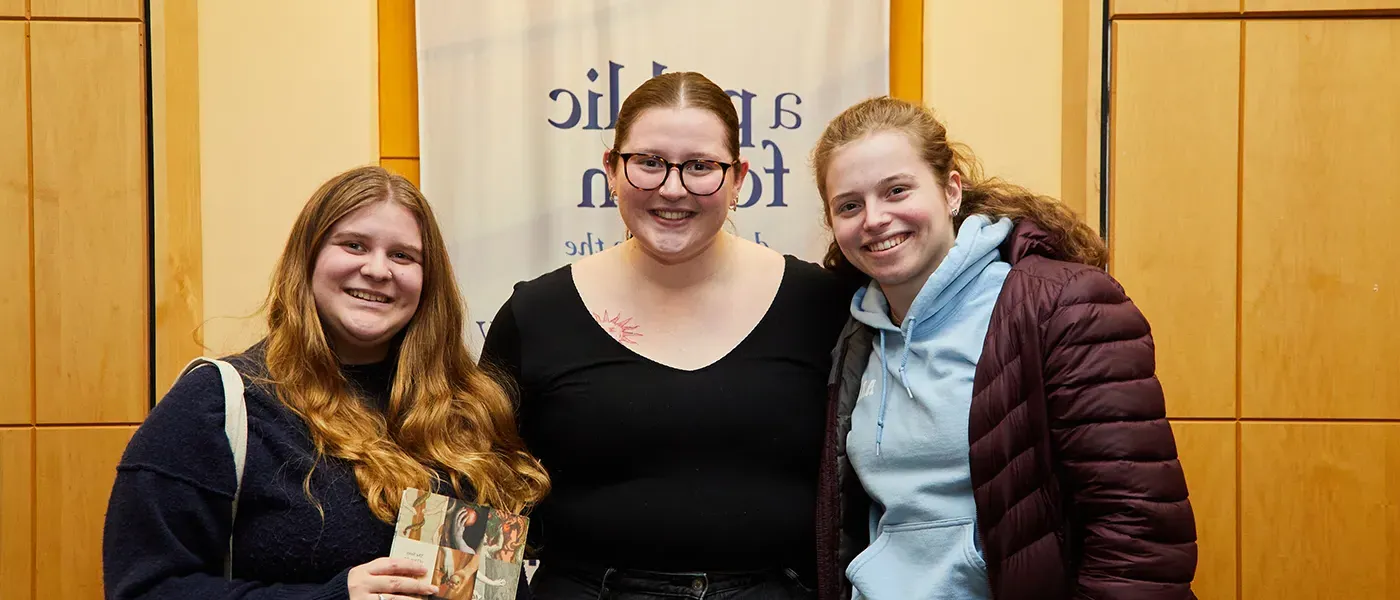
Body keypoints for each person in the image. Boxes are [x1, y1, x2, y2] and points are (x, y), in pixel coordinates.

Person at [479, 71, 854, 599]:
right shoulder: (536, 314)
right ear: (611, 169)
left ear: (740, 177)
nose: (673, 188)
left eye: (701, 166)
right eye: (649, 162)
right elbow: (473, 487)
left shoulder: (821, 305)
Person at [808, 97, 1198, 600]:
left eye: (897, 190)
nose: (875, 219)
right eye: (849, 205)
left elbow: (1137, 530)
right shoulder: (855, 332)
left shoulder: (1062, 305)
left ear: (951, 191)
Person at [102, 166, 550, 600]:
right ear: (308, 259)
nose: (378, 270)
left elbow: (486, 592)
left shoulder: (459, 415)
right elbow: (143, 588)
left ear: (427, 281)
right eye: (354, 245)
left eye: (403, 255)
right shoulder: (220, 404)